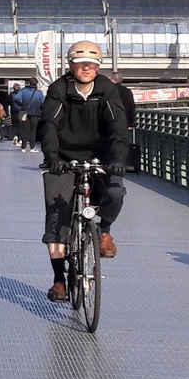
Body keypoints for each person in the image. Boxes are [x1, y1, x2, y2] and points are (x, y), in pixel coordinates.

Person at [38, 41, 129, 303]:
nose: (86, 68)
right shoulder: (59, 90)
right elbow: (49, 126)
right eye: (80, 64)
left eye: (92, 64)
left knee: (115, 192)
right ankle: (59, 281)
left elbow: (118, 128)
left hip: (101, 158)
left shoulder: (107, 90)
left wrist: (119, 159)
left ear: (98, 67)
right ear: (71, 66)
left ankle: (105, 231)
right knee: (56, 216)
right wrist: (52, 157)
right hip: (64, 159)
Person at [106, 69, 139, 172]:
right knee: (123, 141)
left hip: (110, 121)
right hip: (124, 122)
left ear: (112, 80)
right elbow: (132, 108)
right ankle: (123, 162)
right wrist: (130, 122)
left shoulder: (108, 91)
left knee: (109, 141)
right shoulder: (127, 92)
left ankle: (110, 161)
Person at [11, 79, 45, 151]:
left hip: (25, 113)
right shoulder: (39, 93)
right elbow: (43, 102)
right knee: (33, 131)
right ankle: (32, 147)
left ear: (29, 83)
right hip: (35, 113)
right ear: (36, 84)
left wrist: (21, 104)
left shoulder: (23, 91)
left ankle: (23, 147)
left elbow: (16, 98)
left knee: (25, 130)